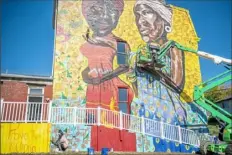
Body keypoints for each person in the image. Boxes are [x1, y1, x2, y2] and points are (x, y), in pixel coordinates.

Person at [80, 0, 136, 151]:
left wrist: (103, 78)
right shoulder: (87, 41)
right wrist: (87, 77)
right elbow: (85, 67)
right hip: (93, 87)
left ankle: (114, 145)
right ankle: (95, 147)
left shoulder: (119, 43)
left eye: (110, 12)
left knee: (112, 116)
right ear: (88, 16)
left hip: (110, 86)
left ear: (117, 16)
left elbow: (124, 66)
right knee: (92, 118)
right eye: (97, 12)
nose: (103, 17)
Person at [134, 0, 184, 89]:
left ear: (162, 17)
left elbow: (177, 83)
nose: (140, 21)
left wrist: (154, 70)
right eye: (137, 15)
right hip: (143, 101)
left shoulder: (171, 47)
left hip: (167, 101)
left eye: (146, 12)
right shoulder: (142, 51)